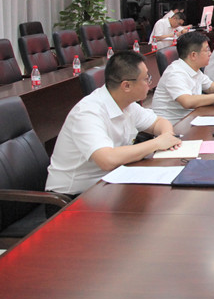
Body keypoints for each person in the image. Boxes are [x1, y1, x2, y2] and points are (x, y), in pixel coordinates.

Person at [45, 52, 181, 195]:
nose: (150, 83)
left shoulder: (127, 103)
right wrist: (157, 143)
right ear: (126, 86)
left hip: (109, 181)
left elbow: (159, 122)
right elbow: (107, 160)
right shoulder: (88, 112)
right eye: (146, 79)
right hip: (73, 196)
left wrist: (167, 136)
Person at [151, 31, 214, 124]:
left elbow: (209, 86)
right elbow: (187, 101)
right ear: (193, 55)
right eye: (207, 50)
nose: (210, 53)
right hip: (173, 126)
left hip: (191, 118)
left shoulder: (194, 69)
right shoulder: (175, 73)